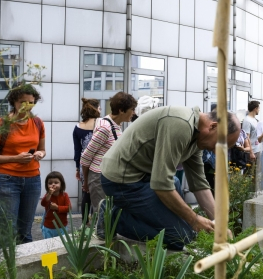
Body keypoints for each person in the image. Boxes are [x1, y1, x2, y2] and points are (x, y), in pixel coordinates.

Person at [100, 106, 241, 250]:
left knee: (176, 184)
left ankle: (132, 213)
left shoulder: (197, 137)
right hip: (122, 181)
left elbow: (199, 184)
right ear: (213, 126)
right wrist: (194, 220)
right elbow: (161, 185)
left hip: (145, 176)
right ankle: (112, 217)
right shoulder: (180, 124)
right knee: (181, 237)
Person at [0, 84, 46, 244]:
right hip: (7, 180)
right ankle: (6, 267)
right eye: (22, 102)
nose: (27, 106)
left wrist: (40, 154)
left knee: (26, 230)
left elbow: (43, 150)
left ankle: (26, 267)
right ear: (14, 102)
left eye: (31, 102)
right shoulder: (2, 123)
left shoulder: (38, 123)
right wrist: (15, 158)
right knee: (7, 231)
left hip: (33, 180)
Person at [81, 92, 137, 216]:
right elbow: (85, 157)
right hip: (98, 178)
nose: (133, 113)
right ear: (121, 110)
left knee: (108, 215)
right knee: (102, 216)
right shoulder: (105, 128)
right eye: (132, 109)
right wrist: (86, 182)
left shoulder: (115, 125)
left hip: (107, 176)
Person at [73, 98, 101, 221]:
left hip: (83, 164)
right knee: (99, 195)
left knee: (86, 193)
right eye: (100, 108)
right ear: (96, 109)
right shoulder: (102, 124)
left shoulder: (78, 127)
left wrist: (77, 169)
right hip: (99, 163)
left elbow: (77, 150)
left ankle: (85, 225)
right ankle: (98, 224)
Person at [40, 171, 71, 239]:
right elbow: (43, 203)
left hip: (61, 226)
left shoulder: (65, 195)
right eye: (50, 183)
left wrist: (57, 207)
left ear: (61, 184)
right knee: (49, 245)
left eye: (56, 182)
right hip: (48, 227)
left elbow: (69, 208)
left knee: (61, 245)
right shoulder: (48, 195)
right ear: (47, 185)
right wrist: (49, 194)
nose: (53, 185)